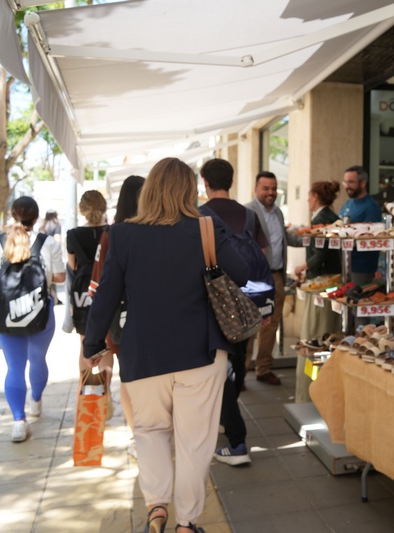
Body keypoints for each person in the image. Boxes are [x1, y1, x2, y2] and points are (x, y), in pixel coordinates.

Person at [82, 157, 249, 533]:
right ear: (190, 191)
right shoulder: (204, 227)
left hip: (143, 353)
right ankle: (186, 523)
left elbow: (106, 296)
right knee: (195, 443)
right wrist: (210, 224)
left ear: (150, 190)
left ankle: (156, 510)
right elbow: (242, 271)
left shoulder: (123, 234)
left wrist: (92, 344)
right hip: (201, 353)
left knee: (150, 432)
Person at [199, 158, 268, 466]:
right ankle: (228, 416)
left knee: (221, 364)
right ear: (231, 180)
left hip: (217, 301)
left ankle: (235, 436)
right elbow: (262, 256)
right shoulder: (250, 215)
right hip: (250, 299)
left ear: (205, 183)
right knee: (238, 360)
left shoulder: (200, 216)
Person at [0, 197, 66, 442]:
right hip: (40, 313)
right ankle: (36, 401)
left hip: (7, 315)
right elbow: (61, 277)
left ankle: (18, 422)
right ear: (36, 216)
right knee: (38, 359)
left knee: (14, 367)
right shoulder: (47, 243)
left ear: (13, 214)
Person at [88, 175, 145, 459]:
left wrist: (94, 337)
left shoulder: (112, 234)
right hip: (146, 317)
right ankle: (144, 433)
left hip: (120, 319)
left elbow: (98, 287)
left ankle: (138, 436)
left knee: (128, 377)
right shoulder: (154, 232)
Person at [245, 171, 286, 386]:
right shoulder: (247, 212)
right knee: (250, 324)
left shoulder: (278, 213)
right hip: (254, 279)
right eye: (266, 188)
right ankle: (241, 373)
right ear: (256, 189)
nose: (271, 192)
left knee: (271, 325)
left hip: (276, 276)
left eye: (274, 188)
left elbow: (282, 240)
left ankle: (263, 369)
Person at [288, 180, 342, 339]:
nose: (307, 200)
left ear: (315, 196)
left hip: (322, 279)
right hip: (334, 277)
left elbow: (320, 254)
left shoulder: (320, 220)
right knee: (329, 324)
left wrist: (302, 267)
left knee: (316, 328)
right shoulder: (332, 216)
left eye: (309, 196)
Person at [67, 191, 108, 378]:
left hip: (82, 293)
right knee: (105, 343)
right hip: (106, 288)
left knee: (84, 343)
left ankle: (85, 389)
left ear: (82, 209)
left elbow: (72, 266)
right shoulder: (112, 232)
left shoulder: (73, 235)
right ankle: (105, 390)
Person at [338, 165, 382, 287]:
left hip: (362, 267)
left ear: (363, 183)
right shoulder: (347, 204)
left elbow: (369, 237)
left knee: (356, 297)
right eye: (345, 182)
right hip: (345, 264)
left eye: (351, 182)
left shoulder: (371, 207)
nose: (347, 186)